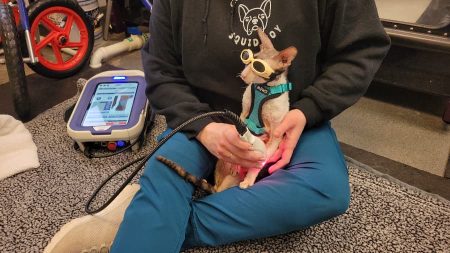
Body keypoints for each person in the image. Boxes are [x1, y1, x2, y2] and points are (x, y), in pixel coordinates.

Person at [44, 0, 390, 252]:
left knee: (326, 190)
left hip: (289, 117)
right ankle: (154, 216)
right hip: (200, 119)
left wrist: (306, 112)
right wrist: (206, 128)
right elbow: (161, 70)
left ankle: (150, 220)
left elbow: (360, 52)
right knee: (165, 172)